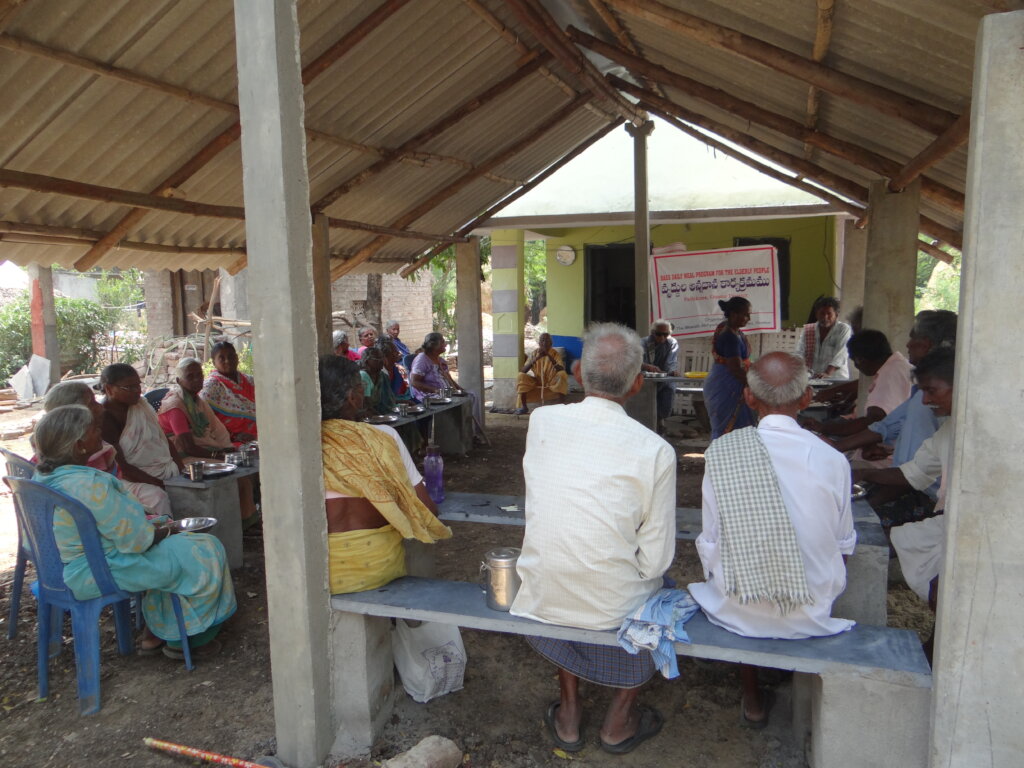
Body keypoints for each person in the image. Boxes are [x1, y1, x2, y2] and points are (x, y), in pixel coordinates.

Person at [511, 323, 676, 754]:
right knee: (663, 596)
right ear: (638, 383)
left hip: (543, 592)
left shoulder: (541, 420)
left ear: (579, 372)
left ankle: (569, 713)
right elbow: (655, 562)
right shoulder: (656, 450)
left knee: (569, 571)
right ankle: (618, 720)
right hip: (612, 607)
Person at [689, 352, 855, 726]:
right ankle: (789, 666)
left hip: (738, 609)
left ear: (749, 397)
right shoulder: (832, 460)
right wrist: (806, 583)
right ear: (807, 397)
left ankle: (752, 696)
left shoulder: (722, 452)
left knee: (735, 568)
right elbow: (844, 547)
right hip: (812, 611)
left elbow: (711, 541)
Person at [33, 405, 236, 658]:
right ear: (79, 446)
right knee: (205, 547)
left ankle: (158, 631)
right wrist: (167, 530)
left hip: (68, 568)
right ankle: (190, 639)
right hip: (101, 571)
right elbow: (137, 541)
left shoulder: (43, 478)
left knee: (176, 549)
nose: (100, 433)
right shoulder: (91, 485)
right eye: (94, 430)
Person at [318, 355, 450, 593]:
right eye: (361, 387)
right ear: (353, 397)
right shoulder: (383, 437)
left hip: (321, 578)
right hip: (381, 571)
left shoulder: (302, 446)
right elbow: (426, 510)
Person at [830, 311, 957, 528]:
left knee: (859, 525)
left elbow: (912, 477)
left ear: (926, 344)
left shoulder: (927, 402)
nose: (906, 345)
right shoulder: (927, 399)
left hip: (928, 499)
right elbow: (889, 429)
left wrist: (866, 505)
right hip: (910, 482)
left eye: (912, 338)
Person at [853, 348, 955, 606]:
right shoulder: (948, 431)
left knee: (943, 587)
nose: (924, 401)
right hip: (951, 520)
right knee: (896, 540)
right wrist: (862, 473)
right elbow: (914, 473)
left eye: (932, 391)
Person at [44, 380, 173, 519]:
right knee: (156, 498)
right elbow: (109, 504)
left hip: (111, 492)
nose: (100, 407)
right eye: (92, 403)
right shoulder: (83, 475)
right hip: (116, 516)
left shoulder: (60, 445)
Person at [158, 358, 258, 526]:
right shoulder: (175, 406)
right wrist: (218, 455)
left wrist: (227, 449)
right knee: (238, 479)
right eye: (191, 376)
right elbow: (188, 447)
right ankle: (243, 524)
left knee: (250, 470)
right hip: (183, 458)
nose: (197, 380)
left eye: (199, 375)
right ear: (178, 381)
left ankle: (246, 520)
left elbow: (218, 431)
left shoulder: (198, 402)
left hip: (203, 450)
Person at [100, 364, 184, 518]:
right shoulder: (105, 417)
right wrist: (158, 483)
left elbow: (163, 439)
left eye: (138, 385)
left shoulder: (141, 406)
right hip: (125, 479)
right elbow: (121, 467)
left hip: (162, 470)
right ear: (109, 389)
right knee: (157, 497)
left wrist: (182, 470)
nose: (137, 391)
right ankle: (163, 535)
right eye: (129, 388)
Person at [802, 330, 912, 442]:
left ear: (860, 360)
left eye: (854, 361)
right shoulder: (898, 364)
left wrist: (824, 428)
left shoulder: (889, 375)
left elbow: (873, 421)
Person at [410, 332, 485, 439]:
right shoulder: (422, 359)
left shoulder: (440, 360)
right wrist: (435, 390)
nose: (445, 344)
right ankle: (466, 435)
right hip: (428, 396)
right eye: (442, 342)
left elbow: (449, 378)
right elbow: (414, 382)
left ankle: (471, 433)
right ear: (433, 345)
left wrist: (460, 390)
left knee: (472, 396)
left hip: (445, 393)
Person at [703, 296, 756, 439]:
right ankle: (719, 459)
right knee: (725, 430)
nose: (748, 318)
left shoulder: (735, 332)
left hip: (726, 382)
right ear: (733, 314)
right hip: (726, 386)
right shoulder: (730, 337)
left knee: (737, 431)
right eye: (746, 314)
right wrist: (753, 385)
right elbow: (735, 369)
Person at [201, 341, 257, 443]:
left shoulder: (250, 381)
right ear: (214, 363)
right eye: (222, 358)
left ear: (236, 357)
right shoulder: (210, 386)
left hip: (261, 434)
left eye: (231, 356)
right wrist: (233, 436)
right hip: (231, 440)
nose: (227, 361)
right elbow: (205, 419)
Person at [795, 297, 853, 379]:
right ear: (816, 314)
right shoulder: (808, 330)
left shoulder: (843, 329)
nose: (825, 317)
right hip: (813, 378)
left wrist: (827, 373)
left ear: (836, 315)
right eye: (822, 313)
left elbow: (841, 354)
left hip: (836, 378)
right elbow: (799, 353)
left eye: (829, 314)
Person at [640, 319, 680, 434]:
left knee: (668, 394)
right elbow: (636, 361)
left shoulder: (672, 343)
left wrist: (672, 371)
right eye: (659, 334)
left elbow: (671, 362)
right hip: (647, 379)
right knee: (648, 403)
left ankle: (661, 422)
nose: (662, 338)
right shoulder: (643, 343)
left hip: (664, 378)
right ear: (653, 332)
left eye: (665, 334)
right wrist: (647, 366)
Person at [514, 332, 569, 414]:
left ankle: (561, 406)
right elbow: (523, 370)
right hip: (538, 380)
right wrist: (537, 358)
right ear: (539, 343)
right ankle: (524, 407)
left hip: (551, 381)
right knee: (521, 376)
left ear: (551, 343)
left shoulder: (555, 353)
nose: (544, 343)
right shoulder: (534, 353)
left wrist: (548, 355)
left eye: (547, 341)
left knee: (562, 375)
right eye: (542, 340)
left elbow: (561, 369)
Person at [359, 347, 397, 415]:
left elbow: (388, 400)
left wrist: (404, 402)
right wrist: (380, 417)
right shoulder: (363, 375)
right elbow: (366, 405)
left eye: (382, 358)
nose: (381, 361)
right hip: (368, 414)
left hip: (381, 411)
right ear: (367, 361)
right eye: (377, 359)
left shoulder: (382, 376)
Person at [376, 336, 415, 401]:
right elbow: (384, 399)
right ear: (386, 355)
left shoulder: (396, 370)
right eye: (394, 351)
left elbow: (405, 392)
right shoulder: (380, 373)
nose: (398, 353)